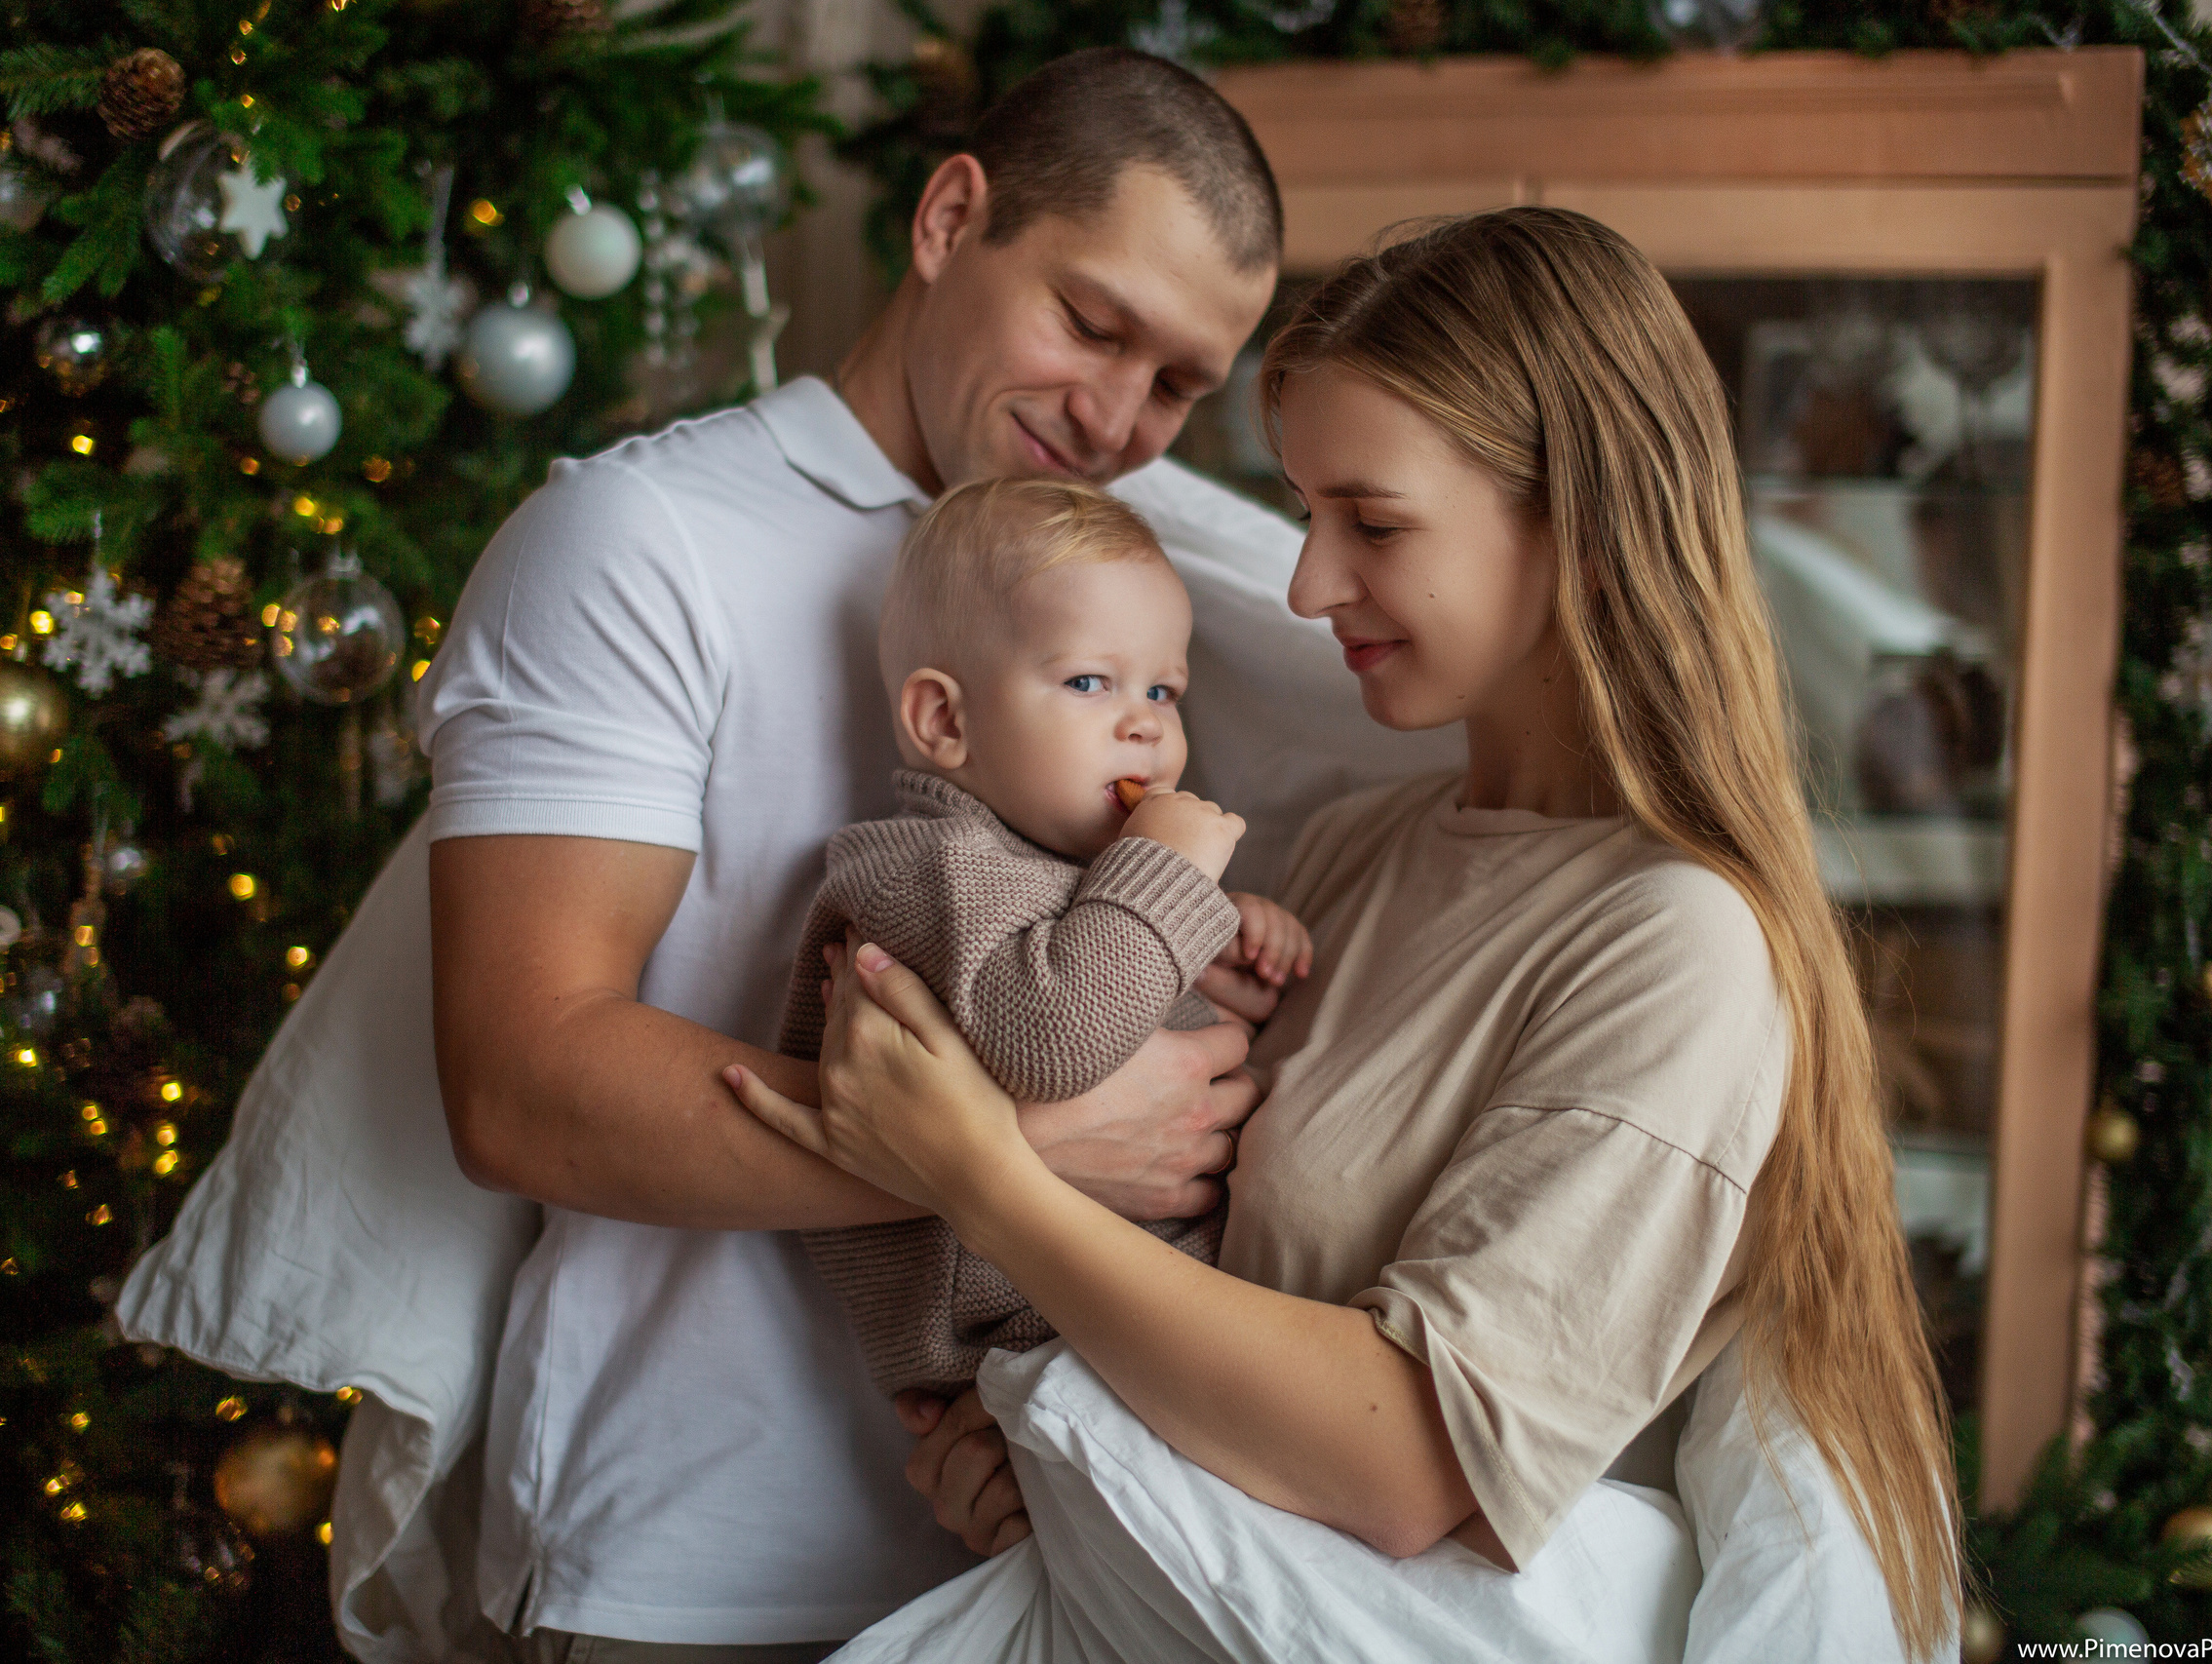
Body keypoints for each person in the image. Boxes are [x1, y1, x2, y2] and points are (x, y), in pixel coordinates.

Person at [112, 46, 1453, 1664]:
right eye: (1092, 325)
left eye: (1177, 382)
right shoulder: (640, 546)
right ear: (953, 216)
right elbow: (524, 1080)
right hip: (694, 1559)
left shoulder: (1140, 583)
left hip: (1056, 1543)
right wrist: (1013, 1155)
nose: (1117, 419)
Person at [726, 207, 1962, 1662]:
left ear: (1579, 521)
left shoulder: (1677, 943)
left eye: (1370, 523)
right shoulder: (1369, 850)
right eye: (1305, 514)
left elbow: (1407, 1457)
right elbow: (1206, 1312)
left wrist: (989, 1182)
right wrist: (1044, 1458)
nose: (1309, 587)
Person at [784, 477, 1313, 1399]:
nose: (1145, 720)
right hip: (1025, 1343)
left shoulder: (1058, 867)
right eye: (1087, 681)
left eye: (1163, 687)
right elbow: (1051, 1039)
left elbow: (1104, 967)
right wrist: (1172, 882)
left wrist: (1215, 943)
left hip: (1124, 1313)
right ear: (945, 721)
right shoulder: (925, 867)